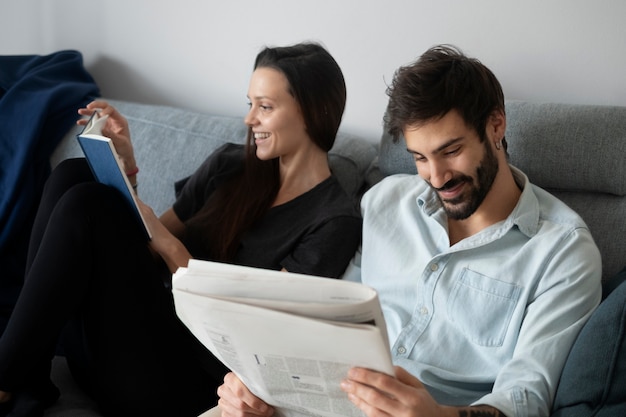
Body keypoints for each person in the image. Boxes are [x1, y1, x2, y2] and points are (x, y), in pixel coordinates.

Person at [216, 45, 602, 417]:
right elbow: (331, 319)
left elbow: (526, 398)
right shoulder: (385, 202)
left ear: (496, 125)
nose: (436, 177)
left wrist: (440, 415)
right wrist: (258, 382)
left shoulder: (562, 252)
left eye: (451, 151)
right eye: (420, 157)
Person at [0, 42, 361, 417]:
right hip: (117, 343)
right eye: (249, 103)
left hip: (185, 384)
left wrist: (175, 251)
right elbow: (145, 243)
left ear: (315, 113)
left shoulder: (333, 221)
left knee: (86, 203)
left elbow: (260, 343)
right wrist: (127, 165)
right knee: (72, 175)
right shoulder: (230, 165)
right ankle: (26, 377)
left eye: (265, 107)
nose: (249, 119)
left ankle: (7, 378)